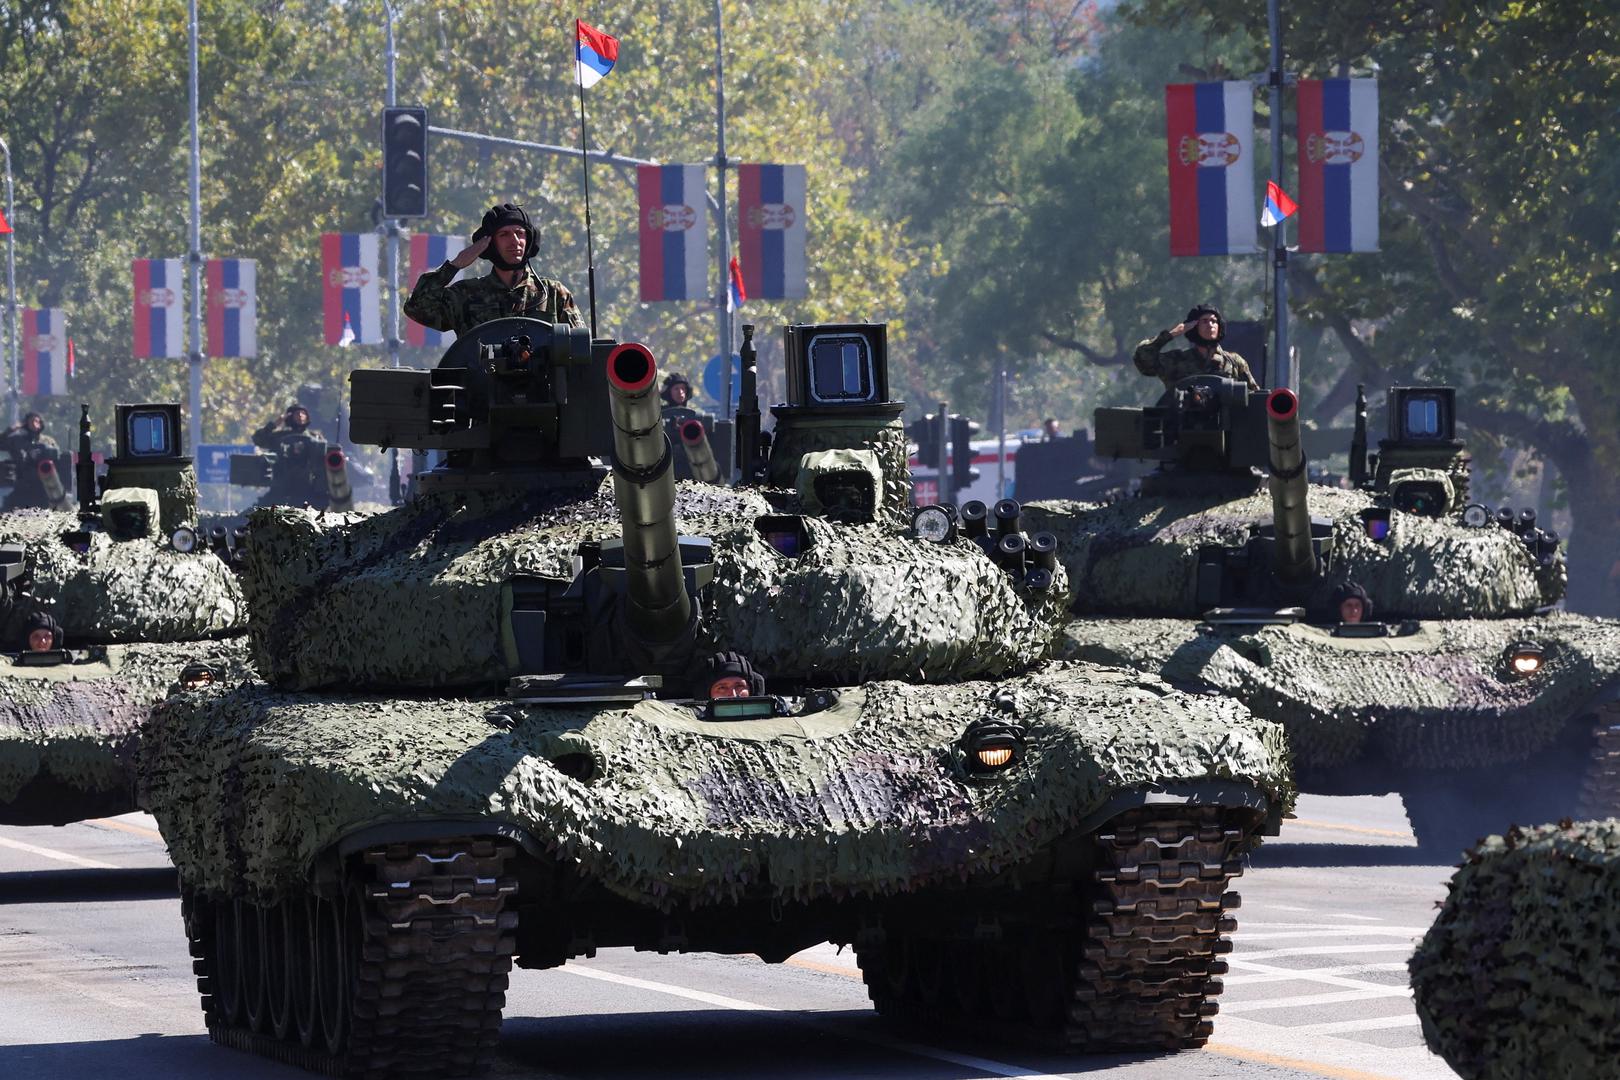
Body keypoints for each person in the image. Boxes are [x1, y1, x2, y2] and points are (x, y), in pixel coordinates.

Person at [403, 202, 585, 336]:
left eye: (520, 233)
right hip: (483, 387)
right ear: (489, 244)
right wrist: (454, 265)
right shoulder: (466, 295)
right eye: (504, 234)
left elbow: (581, 346)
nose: (515, 241)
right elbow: (416, 308)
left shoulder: (552, 294)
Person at [1134, 305, 1261, 393]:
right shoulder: (1178, 361)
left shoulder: (1233, 362)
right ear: (1194, 327)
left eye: (1214, 321)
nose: (1210, 325)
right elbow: (1143, 356)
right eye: (1204, 321)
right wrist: (1172, 334)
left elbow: (1254, 396)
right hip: (1184, 427)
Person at [251, 402, 328, 508]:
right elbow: (258, 439)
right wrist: (274, 424)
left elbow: (323, 456)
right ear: (290, 417)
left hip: (307, 486)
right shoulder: (280, 436)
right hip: (281, 485)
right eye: (297, 413)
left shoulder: (315, 437)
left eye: (303, 413)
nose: (300, 416)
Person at [1, 412, 62, 510]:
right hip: (22, 486)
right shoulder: (17, 440)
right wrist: (11, 429)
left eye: (37, 421)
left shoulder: (47, 441)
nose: (34, 424)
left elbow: (57, 457)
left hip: (43, 487)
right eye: (31, 421)